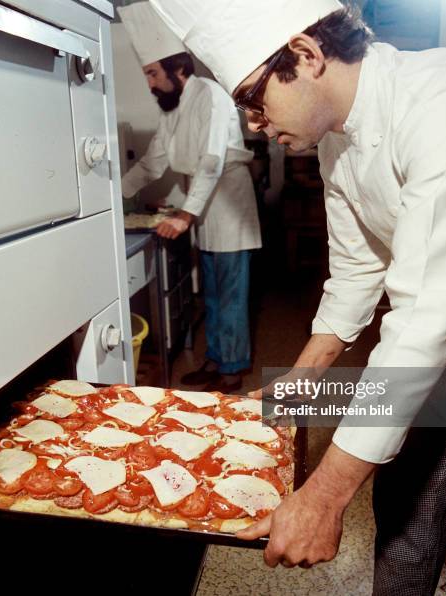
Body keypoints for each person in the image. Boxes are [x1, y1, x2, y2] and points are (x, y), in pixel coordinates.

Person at [150, 1, 446, 594]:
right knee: (404, 530)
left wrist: (322, 495)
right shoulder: (332, 136)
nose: (251, 125)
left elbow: (425, 313)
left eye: (252, 98)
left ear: (307, 55)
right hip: (435, 345)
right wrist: (302, 378)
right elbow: (356, 270)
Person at [118, 2, 262, 393]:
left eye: (151, 73)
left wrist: (184, 215)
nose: (149, 83)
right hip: (206, 211)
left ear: (177, 68)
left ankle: (231, 371)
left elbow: (213, 160)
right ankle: (216, 361)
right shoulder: (173, 109)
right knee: (213, 295)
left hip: (229, 209)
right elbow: (151, 164)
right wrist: (113, 198)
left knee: (230, 296)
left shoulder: (211, 95)